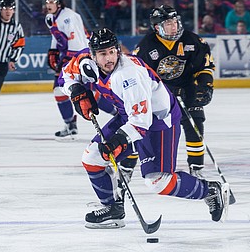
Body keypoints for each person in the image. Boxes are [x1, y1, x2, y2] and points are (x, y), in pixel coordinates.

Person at [59, 27, 229, 228]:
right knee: (92, 158)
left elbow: (141, 123)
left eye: (112, 51)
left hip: (158, 121)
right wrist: (77, 91)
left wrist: (118, 141)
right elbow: (65, 76)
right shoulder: (84, 61)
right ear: (93, 55)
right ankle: (113, 210)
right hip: (129, 116)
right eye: (103, 54)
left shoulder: (128, 76)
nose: (109, 58)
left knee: (158, 182)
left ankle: (210, 190)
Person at [133, 5, 214, 178]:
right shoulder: (145, 48)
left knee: (195, 122)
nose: (174, 26)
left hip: (187, 90)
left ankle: (197, 169)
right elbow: (142, 80)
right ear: (157, 27)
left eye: (175, 22)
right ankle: (128, 166)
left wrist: (205, 86)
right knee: (142, 127)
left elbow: (204, 67)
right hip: (158, 96)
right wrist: (167, 90)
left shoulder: (193, 41)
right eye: (168, 23)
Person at [44, 0, 90, 138]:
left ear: (58, 3)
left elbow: (76, 42)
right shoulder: (53, 17)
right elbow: (56, 38)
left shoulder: (68, 16)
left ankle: (118, 114)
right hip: (71, 58)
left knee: (93, 96)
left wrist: (66, 58)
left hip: (78, 57)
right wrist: (53, 51)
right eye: (47, 2)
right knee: (59, 91)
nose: (49, 5)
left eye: (52, 2)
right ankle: (70, 124)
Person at [0, 0, 25, 123]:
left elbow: (19, 45)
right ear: (0, 10)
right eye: (5, 8)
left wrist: (13, 60)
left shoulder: (16, 27)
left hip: (1, 66)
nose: (7, 11)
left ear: (13, 11)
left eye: (10, 9)